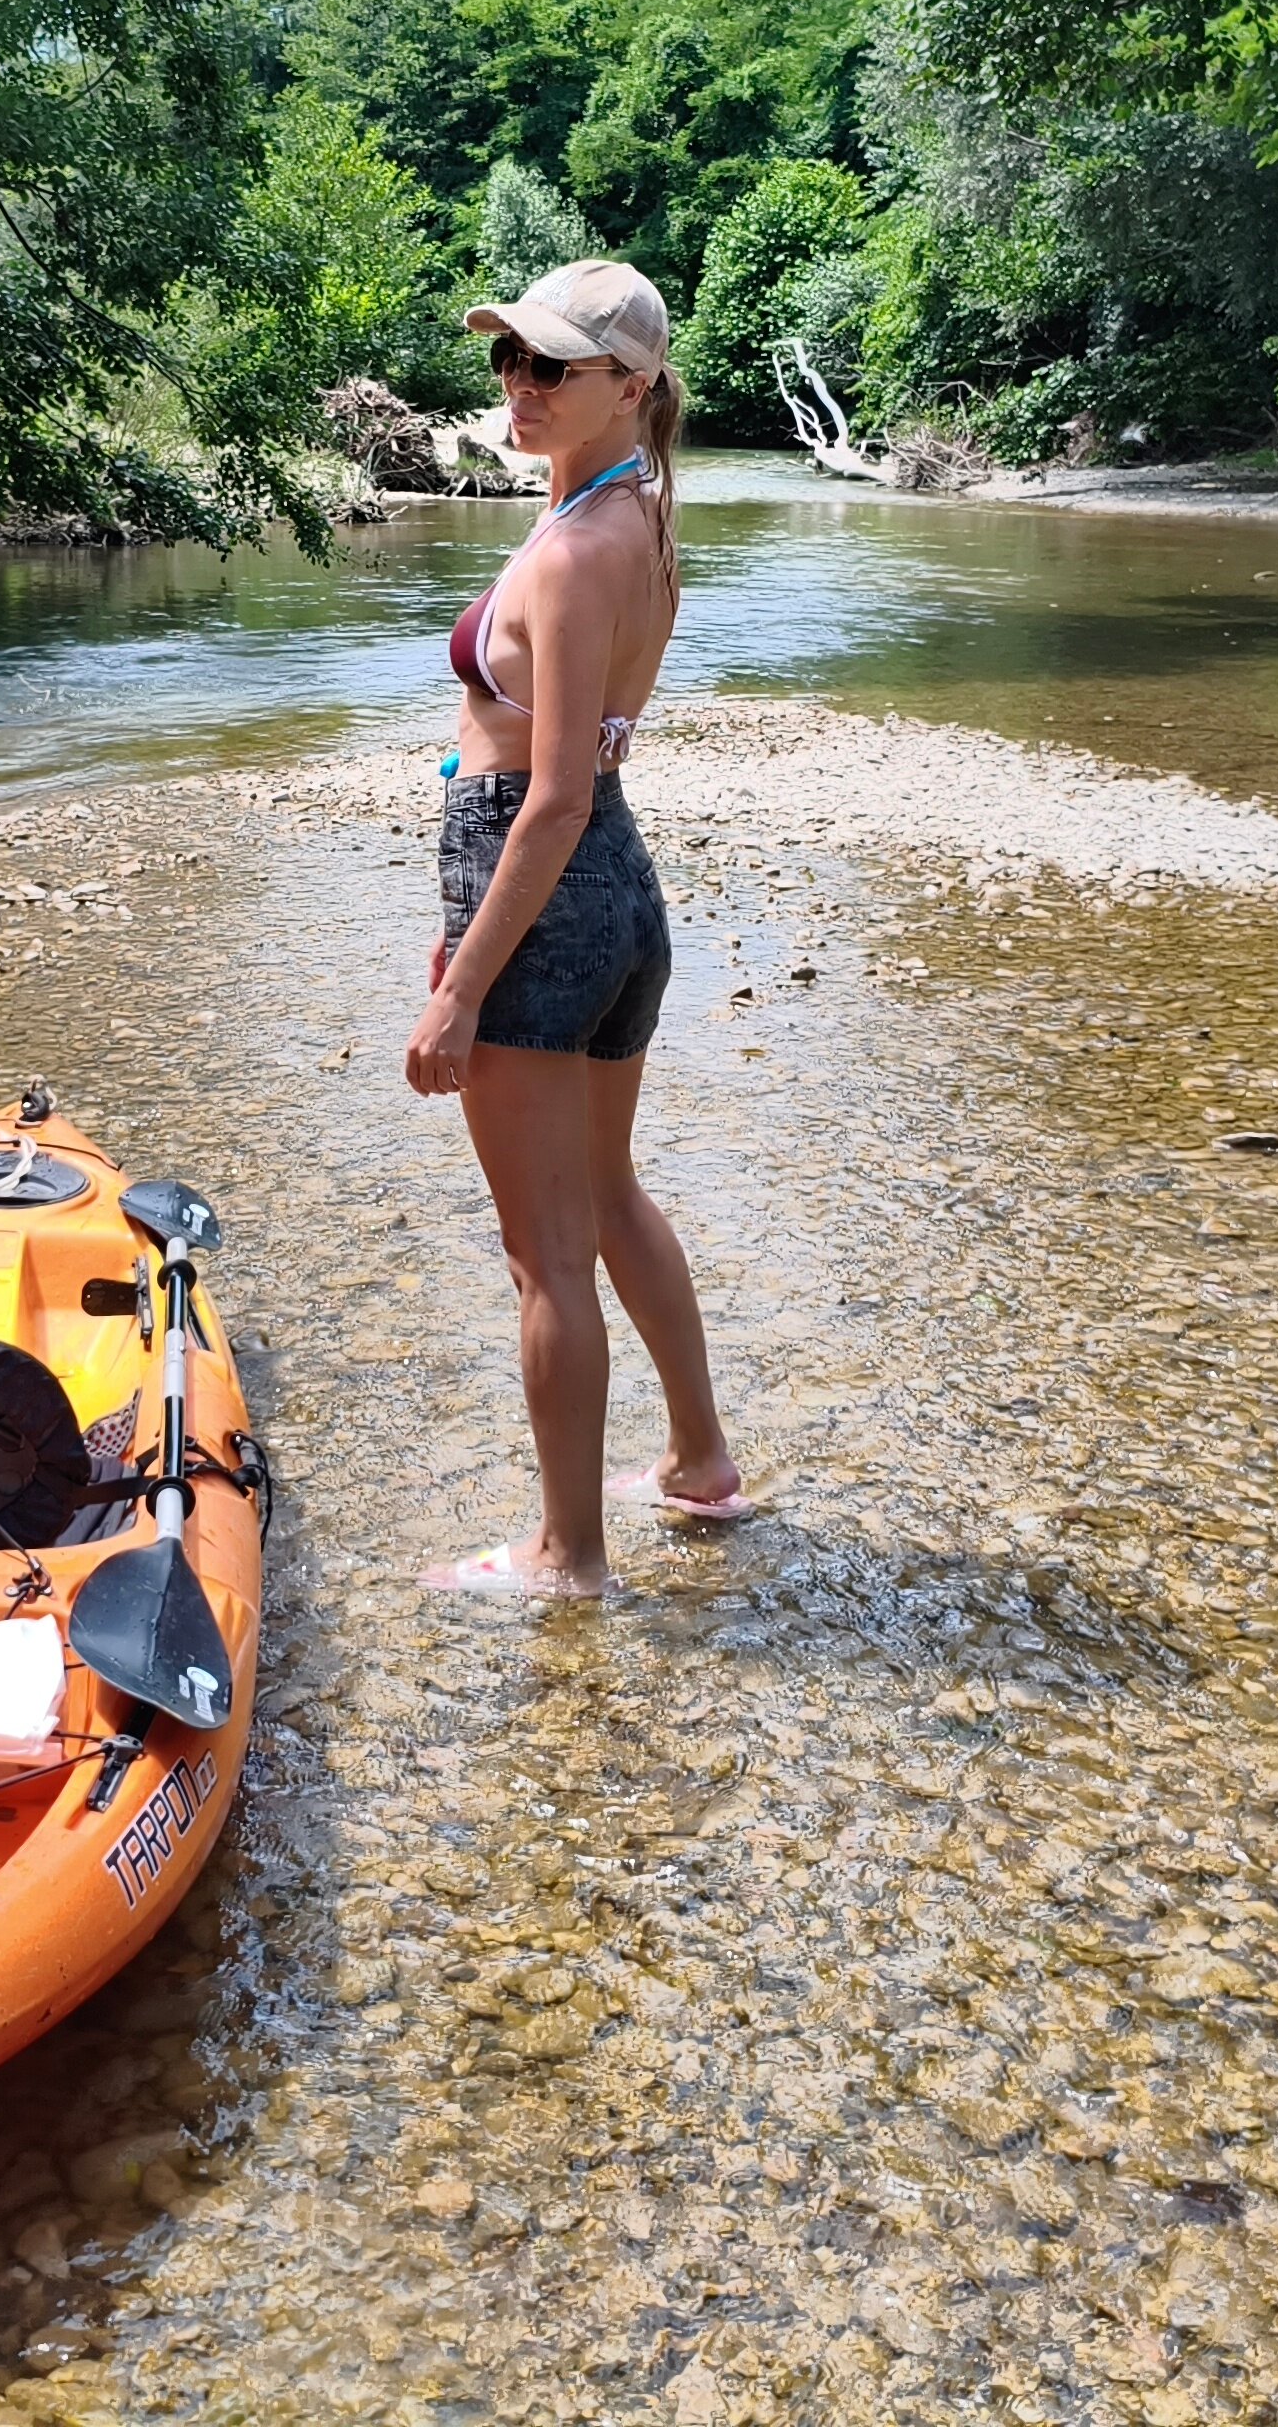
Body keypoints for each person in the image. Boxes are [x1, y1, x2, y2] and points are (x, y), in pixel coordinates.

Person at [405, 260, 752, 1596]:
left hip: (544, 876)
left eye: (553, 367)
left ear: (634, 384)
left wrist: (458, 989)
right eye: (509, 360)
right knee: (605, 1199)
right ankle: (699, 1464)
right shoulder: (638, 516)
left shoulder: (574, 550)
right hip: (620, 890)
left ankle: (568, 1555)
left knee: (543, 1253)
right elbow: (584, 781)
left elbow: (544, 803)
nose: (519, 386)